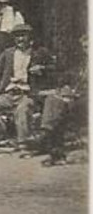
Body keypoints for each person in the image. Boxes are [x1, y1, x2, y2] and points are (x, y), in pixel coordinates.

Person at [0, 23, 52, 157]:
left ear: (29, 37)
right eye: (17, 36)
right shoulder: (8, 53)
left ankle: (24, 146)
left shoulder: (39, 53)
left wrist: (42, 69)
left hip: (28, 94)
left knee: (23, 108)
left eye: (23, 36)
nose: (20, 39)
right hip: (9, 94)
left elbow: (54, 68)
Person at [34, 34, 86, 166]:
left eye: (89, 46)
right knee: (53, 99)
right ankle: (48, 136)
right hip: (77, 97)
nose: (87, 50)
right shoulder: (83, 64)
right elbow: (70, 78)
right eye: (85, 47)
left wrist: (74, 95)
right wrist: (67, 90)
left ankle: (48, 140)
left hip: (86, 100)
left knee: (59, 107)